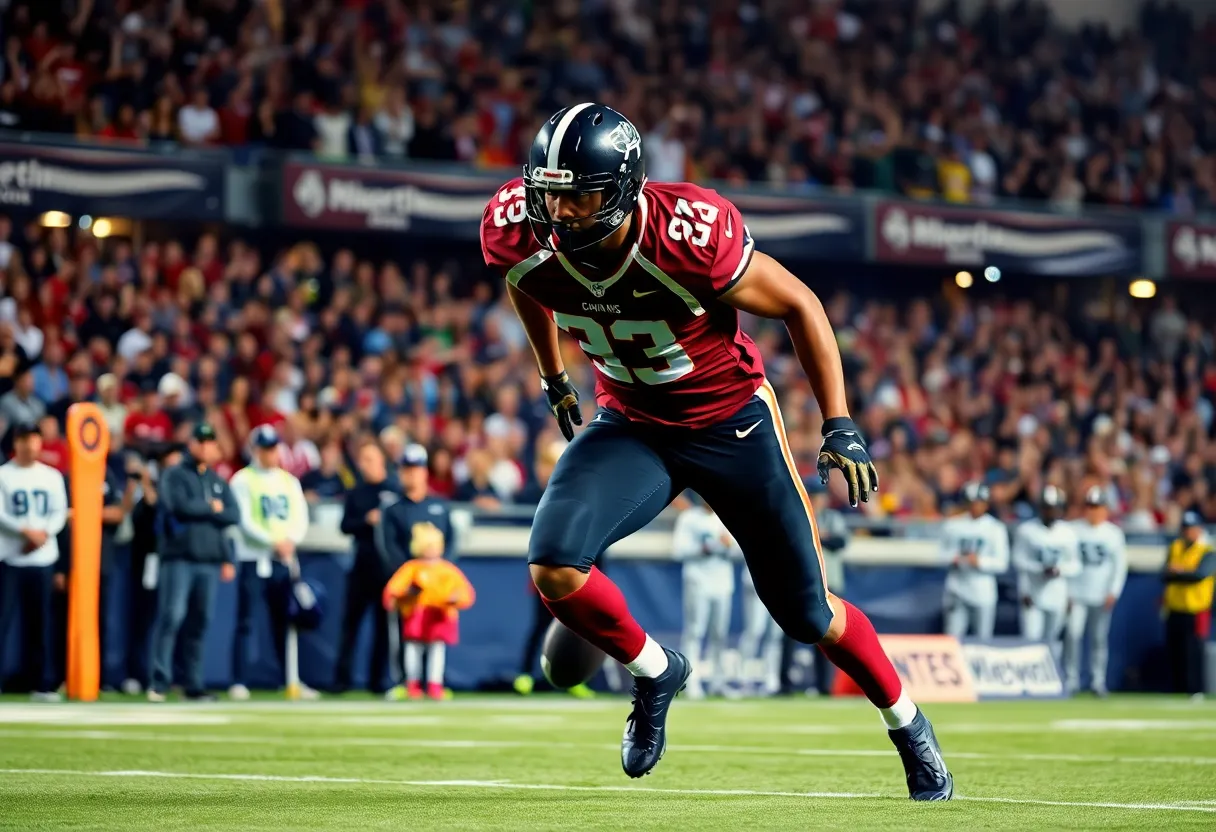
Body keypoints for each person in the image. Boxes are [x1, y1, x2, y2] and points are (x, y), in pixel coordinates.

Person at [480, 102, 952, 798]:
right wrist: (552, 372)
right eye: (551, 196)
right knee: (553, 565)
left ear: (622, 191)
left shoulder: (688, 234)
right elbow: (527, 282)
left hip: (731, 426)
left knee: (809, 616)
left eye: (580, 198)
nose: (563, 215)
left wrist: (839, 421)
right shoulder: (518, 230)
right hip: (634, 423)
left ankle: (907, 723)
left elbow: (801, 304)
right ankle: (655, 672)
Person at [148, 423, 239, 702]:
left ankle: (193, 684)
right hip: (179, 558)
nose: (209, 446)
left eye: (211, 441)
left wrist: (226, 556)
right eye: (204, 441)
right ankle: (159, 682)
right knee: (172, 617)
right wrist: (210, 508)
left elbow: (233, 515)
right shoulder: (175, 475)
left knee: (200, 623)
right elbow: (178, 506)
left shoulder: (216, 480)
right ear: (193, 445)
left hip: (209, 560)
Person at [228, 425, 312, 700]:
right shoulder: (243, 480)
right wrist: (272, 541)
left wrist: (290, 541)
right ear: (255, 450)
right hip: (254, 557)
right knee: (247, 619)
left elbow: (300, 517)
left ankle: (290, 678)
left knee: (286, 620)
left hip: (284, 559)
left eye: (274, 447)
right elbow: (243, 520)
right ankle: (239, 678)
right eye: (265, 448)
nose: (270, 453)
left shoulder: (289, 481)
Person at [512, 439, 596, 698]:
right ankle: (525, 674)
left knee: (577, 627)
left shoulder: (583, 494)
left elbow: (594, 534)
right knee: (540, 623)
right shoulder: (538, 494)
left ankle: (574, 677)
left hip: (575, 569)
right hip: (548, 567)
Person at [376, 442, 454, 697]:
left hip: (435, 588)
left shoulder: (440, 506)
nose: (411, 474)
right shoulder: (393, 509)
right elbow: (389, 546)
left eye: (416, 468)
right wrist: (407, 578)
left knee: (436, 637)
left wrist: (441, 578)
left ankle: (434, 683)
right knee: (404, 637)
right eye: (406, 468)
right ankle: (404, 682)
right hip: (409, 587)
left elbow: (451, 542)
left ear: (424, 471)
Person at [0, 421, 68, 700]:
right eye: (24, 439)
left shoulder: (51, 476)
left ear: (41, 442)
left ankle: (41, 682)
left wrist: (42, 535)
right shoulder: (4, 475)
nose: (29, 445)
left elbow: (60, 511)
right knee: (3, 622)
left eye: (34, 439)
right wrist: (24, 531)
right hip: (10, 557)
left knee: (40, 624)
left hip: (42, 557)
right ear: (15, 443)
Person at [333, 439, 399, 694]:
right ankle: (342, 680)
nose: (366, 465)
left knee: (383, 627)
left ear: (382, 461)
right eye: (363, 460)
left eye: (370, 459)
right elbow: (345, 525)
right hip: (361, 565)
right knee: (350, 625)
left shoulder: (393, 489)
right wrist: (366, 520)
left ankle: (378, 681)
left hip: (386, 568)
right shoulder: (357, 492)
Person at [381, 524, 475, 700]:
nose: (431, 551)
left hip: (440, 615)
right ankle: (412, 685)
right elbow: (394, 589)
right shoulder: (411, 568)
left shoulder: (447, 569)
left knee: (437, 651)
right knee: (412, 650)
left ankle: (434, 685)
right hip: (417, 614)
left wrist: (456, 599)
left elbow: (464, 592)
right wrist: (404, 594)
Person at [1064, 486, 1128, 696]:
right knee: (1073, 635)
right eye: (1090, 506)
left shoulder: (1113, 533)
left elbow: (1120, 566)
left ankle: (1097, 680)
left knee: (1099, 638)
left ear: (1105, 509)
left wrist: (1114, 591)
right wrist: (1066, 592)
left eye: (1097, 506)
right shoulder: (1072, 529)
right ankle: (1071, 679)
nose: (1094, 511)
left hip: (1101, 594)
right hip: (1077, 593)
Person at [672, 493, 735, 699]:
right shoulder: (689, 518)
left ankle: (718, 681)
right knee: (695, 631)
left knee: (720, 634)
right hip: (698, 580)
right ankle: (691, 681)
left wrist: (728, 546)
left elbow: (739, 551)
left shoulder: (727, 517)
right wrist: (705, 548)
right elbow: (679, 551)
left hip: (723, 582)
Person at [1013, 485, 1081, 656]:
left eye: (1054, 508)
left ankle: (1051, 679)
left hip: (1057, 593)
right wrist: (1027, 586)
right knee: (1030, 639)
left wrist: (1060, 572)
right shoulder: (1026, 531)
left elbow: (1076, 565)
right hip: (1033, 592)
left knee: (1052, 640)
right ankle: (1029, 680)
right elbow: (1018, 561)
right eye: (1047, 508)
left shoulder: (1068, 533)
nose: (1050, 512)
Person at [940, 482, 1010, 642]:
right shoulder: (953, 525)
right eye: (972, 502)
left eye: (979, 502)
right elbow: (940, 554)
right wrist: (954, 558)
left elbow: (1002, 563)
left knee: (983, 640)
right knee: (952, 639)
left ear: (986, 504)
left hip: (982, 590)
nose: (975, 506)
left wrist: (980, 561)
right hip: (957, 588)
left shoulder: (995, 528)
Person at [1161, 511, 1215, 699]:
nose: (1188, 532)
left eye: (1191, 528)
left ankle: (1196, 690)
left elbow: (1199, 575)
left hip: (1196, 608)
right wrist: (1182, 574)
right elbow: (1164, 575)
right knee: (1175, 651)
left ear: (1199, 529)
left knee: (1194, 651)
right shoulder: (1175, 547)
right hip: (1175, 606)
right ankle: (1178, 689)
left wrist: (1179, 572)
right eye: (1185, 528)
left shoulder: (1207, 550)